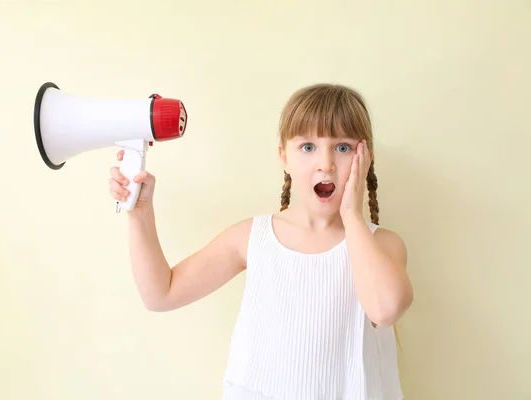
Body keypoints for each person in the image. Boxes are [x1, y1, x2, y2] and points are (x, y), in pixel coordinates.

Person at [108, 83, 413, 399]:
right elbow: (161, 294)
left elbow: (385, 309)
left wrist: (352, 216)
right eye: (308, 147)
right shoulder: (252, 237)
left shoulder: (383, 245)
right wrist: (139, 213)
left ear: (366, 156)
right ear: (284, 156)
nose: (326, 164)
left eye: (343, 147)